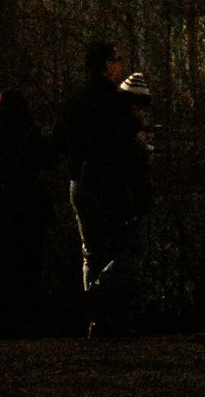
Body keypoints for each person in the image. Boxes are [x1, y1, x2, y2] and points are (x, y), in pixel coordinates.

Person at [59, 39, 151, 336]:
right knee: (128, 250)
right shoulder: (114, 101)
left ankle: (97, 321)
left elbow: (58, 141)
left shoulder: (75, 99)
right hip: (107, 182)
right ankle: (97, 299)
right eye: (116, 59)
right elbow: (124, 146)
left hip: (78, 182)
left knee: (92, 252)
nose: (120, 64)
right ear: (106, 65)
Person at [0, 88, 55, 337]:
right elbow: (47, 158)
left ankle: (2, 327)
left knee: (4, 271)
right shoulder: (26, 133)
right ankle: (29, 324)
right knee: (29, 270)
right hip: (26, 209)